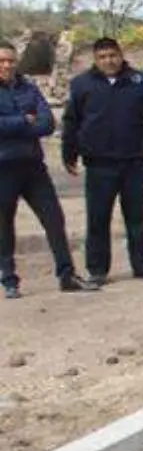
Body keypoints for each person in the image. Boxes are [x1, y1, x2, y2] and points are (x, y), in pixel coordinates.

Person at [60, 36, 143, 285]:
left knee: (137, 217)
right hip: (98, 163)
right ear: (96, 59)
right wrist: (69, 152)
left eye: (113, 55)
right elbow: (71, 121)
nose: (109, 61)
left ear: (121, 54)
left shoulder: (140, 81)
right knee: (98, 218)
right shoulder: (82, 84)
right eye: (103, 57)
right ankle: (97, 269)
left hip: (134, 161)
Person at [1, 41, 94, 299]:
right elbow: (28, 122)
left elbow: (47, 123)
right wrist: (23, 120)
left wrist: (18, 125)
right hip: (3, 168)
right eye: (2, 61)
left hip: (33, 166)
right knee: (4, 226)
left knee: (54, 219)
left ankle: (67, 275)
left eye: (10, 60)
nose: (7, 65)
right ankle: (9, 280)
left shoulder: (28, 88)